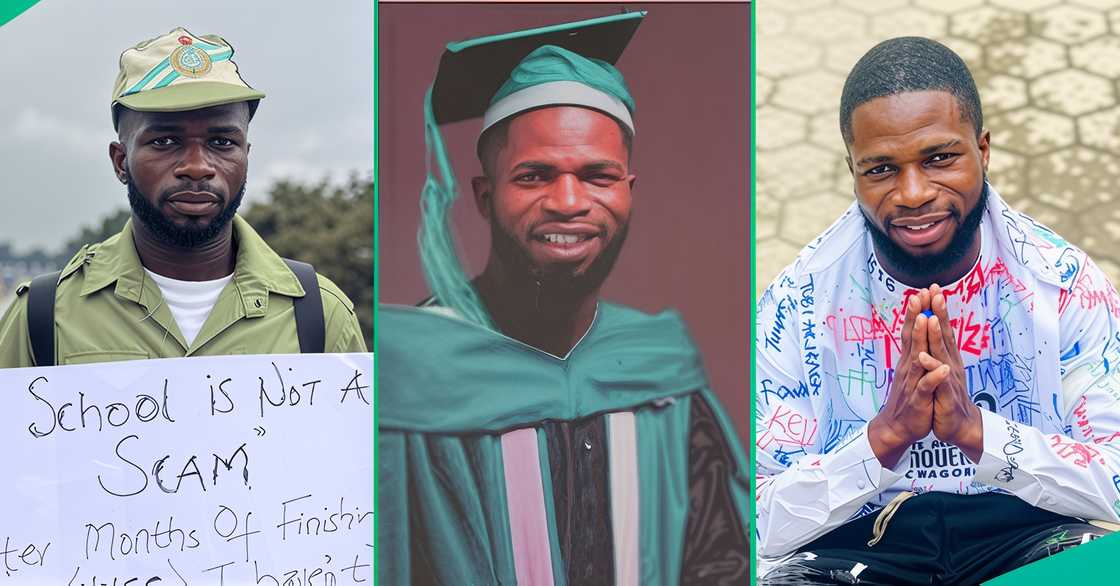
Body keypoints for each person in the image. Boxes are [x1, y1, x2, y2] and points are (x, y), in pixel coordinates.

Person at [379, 13, 749, 585]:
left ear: (629, 192)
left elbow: (720, 558)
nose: (569, 202)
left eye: (599, 176)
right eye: (534, 176)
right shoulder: (407, 375)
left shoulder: (659, 371)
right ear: (485, 197)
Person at [756, 37, 1120, 584]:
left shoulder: (1062, 284)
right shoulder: (797, 303)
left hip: (1025, 532)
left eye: (939, 158)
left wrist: (977, 432)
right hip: (855, 545)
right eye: (881, 169)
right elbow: (756, 520)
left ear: (984, 151)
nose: (913, 193)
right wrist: (884, 438)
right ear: (853, 171)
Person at [0, 27, 366, 367]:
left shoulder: (320, 315)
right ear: (121, 161)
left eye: (221, 142)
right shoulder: (43, 315)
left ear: (245, 156)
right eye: (165, 141)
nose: (196, 167)